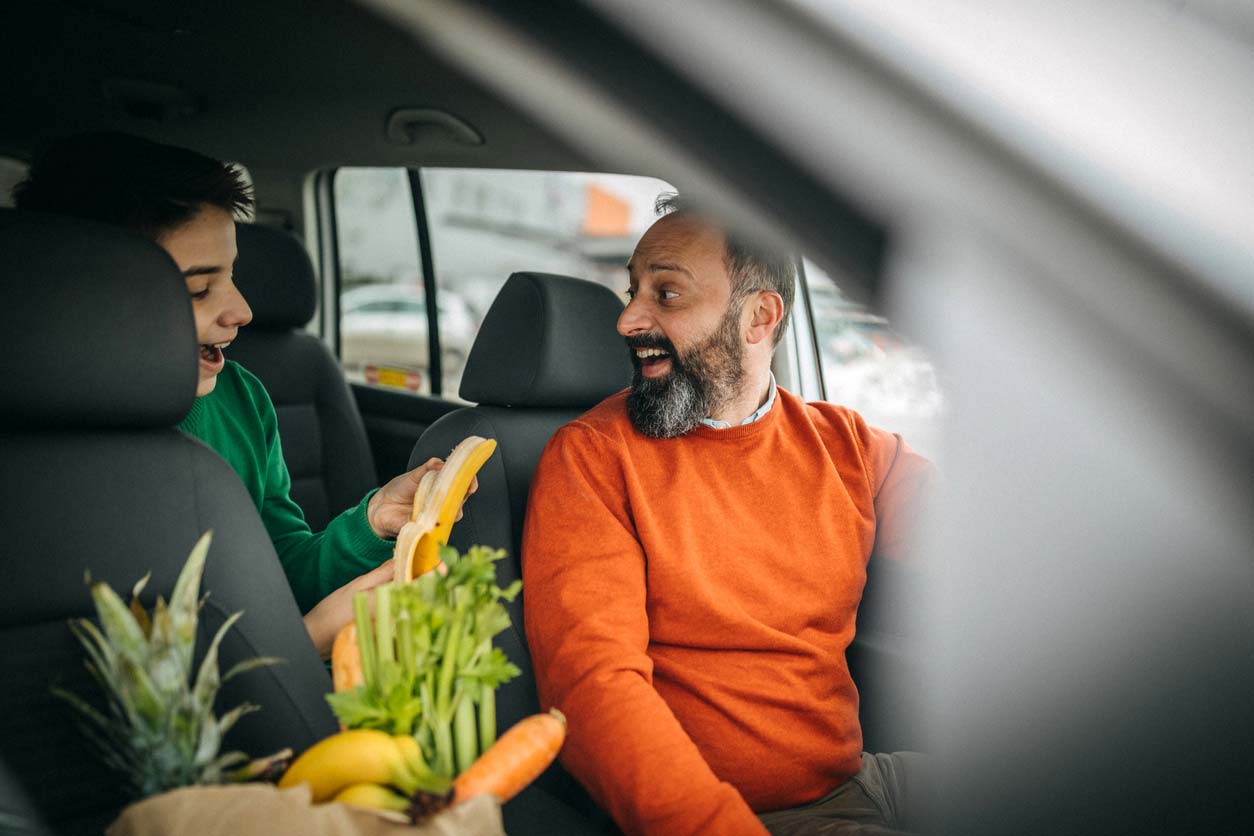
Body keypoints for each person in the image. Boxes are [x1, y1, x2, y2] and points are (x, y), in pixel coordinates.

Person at [521, 195, 937, 835]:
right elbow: (592, 686)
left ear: (758, 319)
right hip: (745, 817)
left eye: (667, 294)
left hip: (856, 778)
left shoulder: (847, 445)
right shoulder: (593, 459)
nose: (628, 319)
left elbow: (1001, 557)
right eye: (634, 290)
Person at [12, 132, 465, 658]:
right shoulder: (33, 448)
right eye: (199, 289)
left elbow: (279, 571)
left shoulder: (240, 396)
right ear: (93, 292)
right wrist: (309, 639)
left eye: (232, 275)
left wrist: (371, 521)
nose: (243, 310)